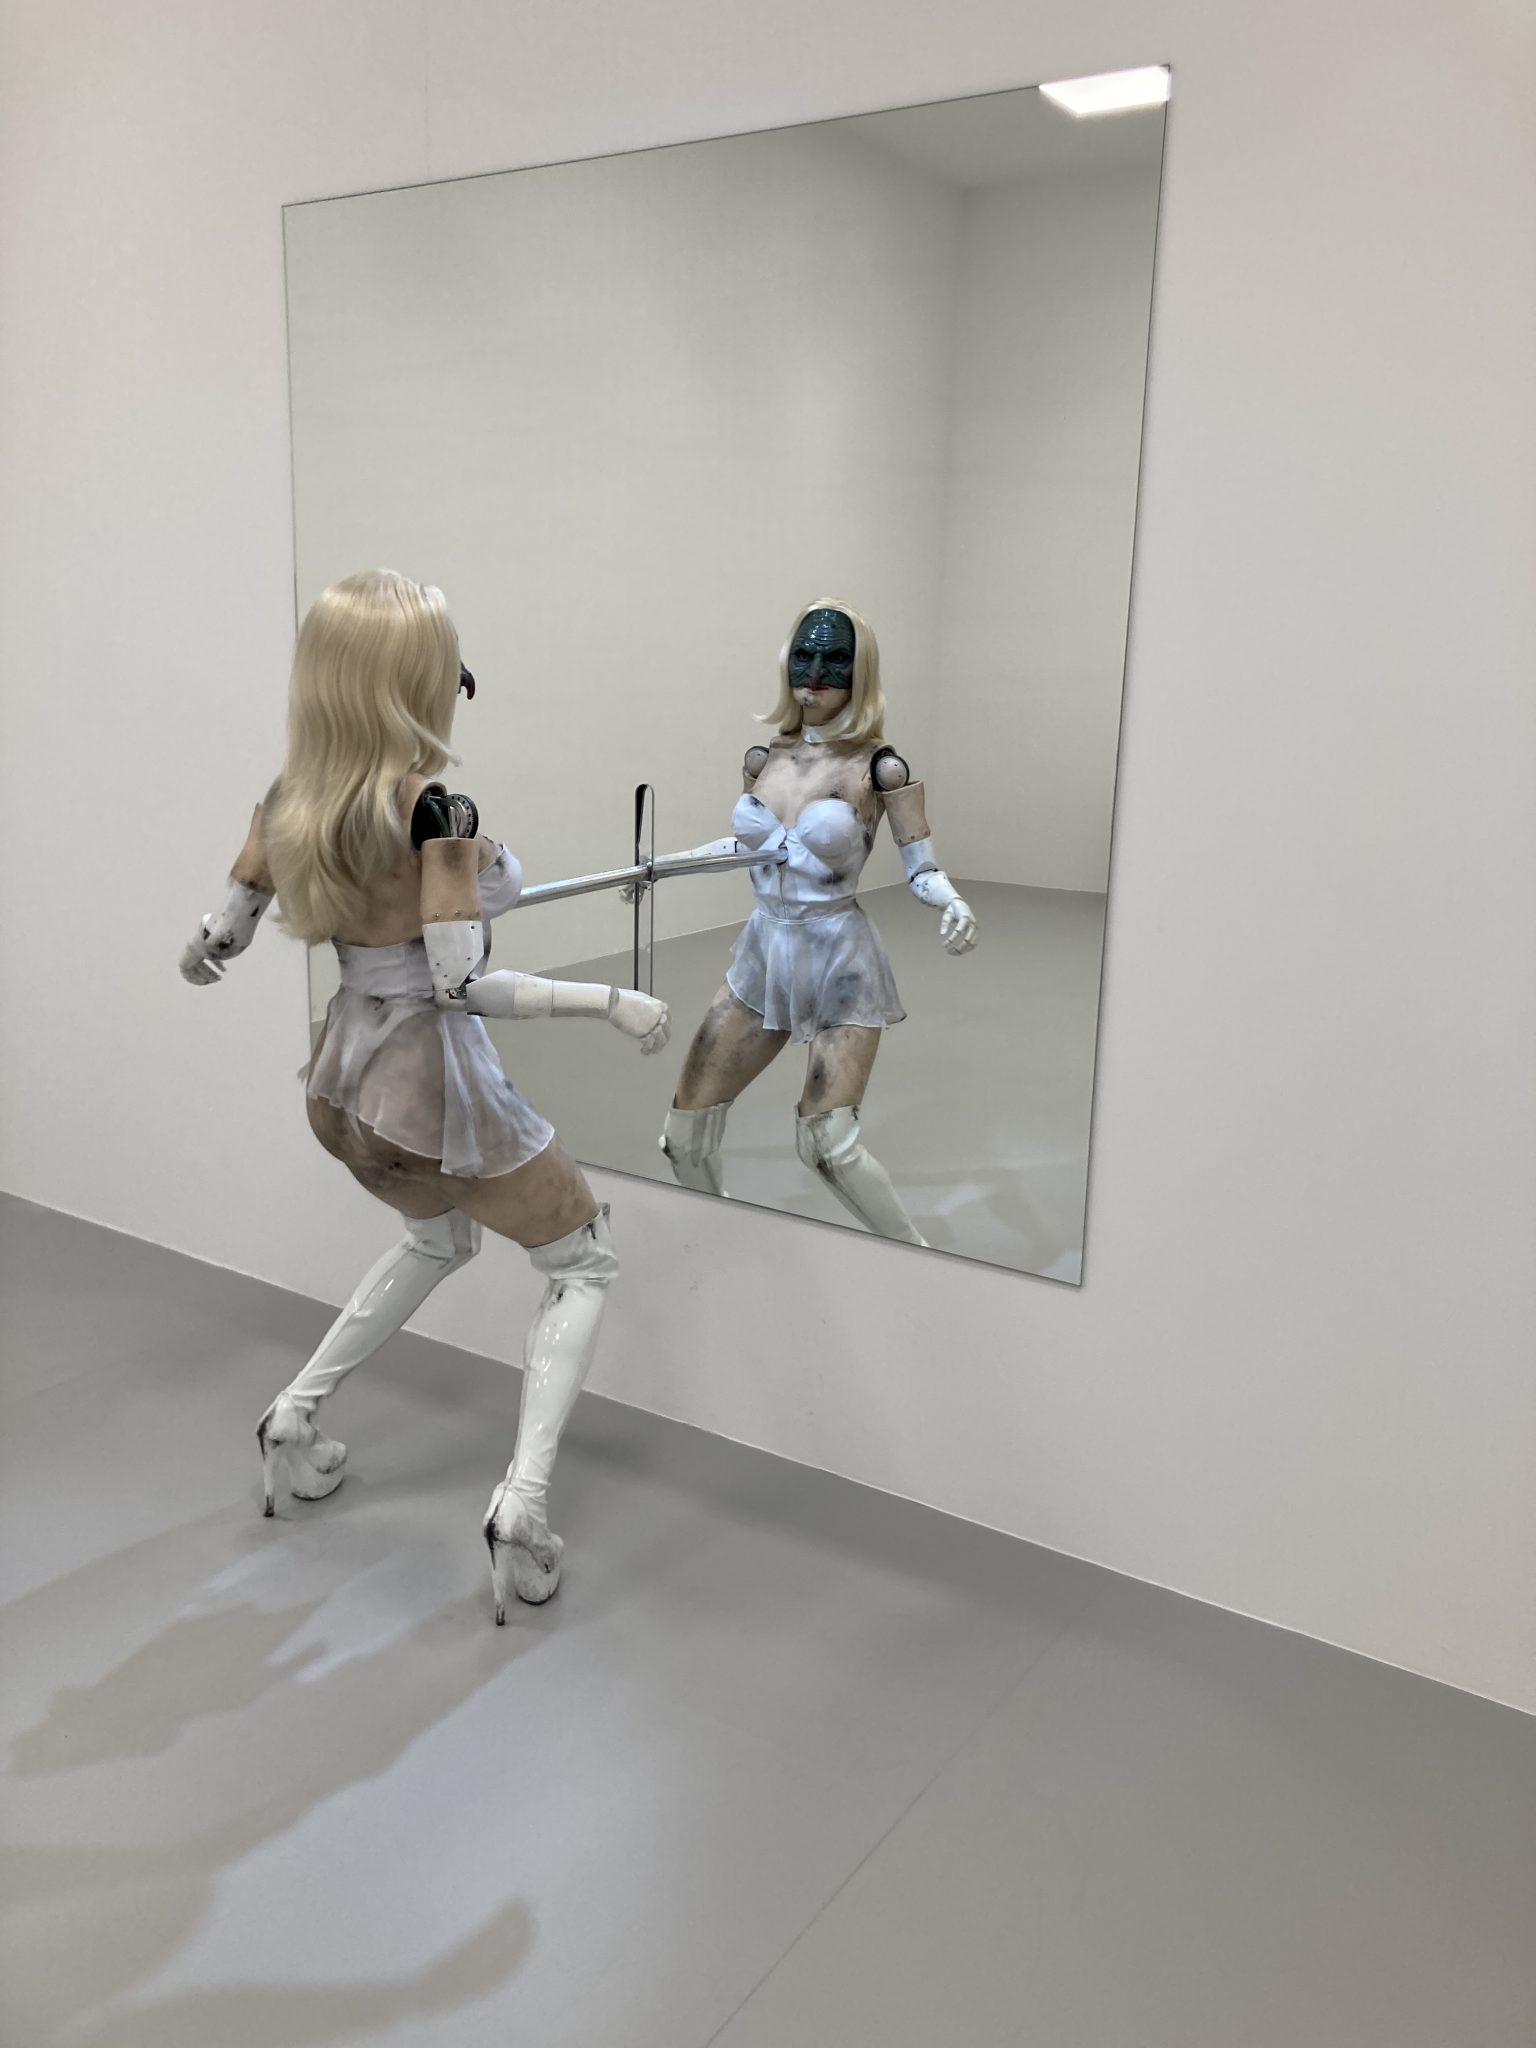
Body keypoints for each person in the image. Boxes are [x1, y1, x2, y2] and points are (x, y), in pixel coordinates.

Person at [179, 570, 668, 1621]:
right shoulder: (434, 810)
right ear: (411, 684)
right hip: (425, 1087)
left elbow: (221, 932)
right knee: (582, 1259)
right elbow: (461, 984)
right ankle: (522, 1507)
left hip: (341, 1084)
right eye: (448, 669)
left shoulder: (289, 797)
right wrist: (608, 1000)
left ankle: (294, 1416)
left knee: (438, 1239)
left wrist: (201, 952)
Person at [652, 600, 976, 1245]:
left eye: (836, 659)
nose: (816, 674)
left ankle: (917, 1257)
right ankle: (721, 1240)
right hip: (763, 954)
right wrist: (659, 867)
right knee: (683, 1138)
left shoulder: (880, 768)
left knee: (828, 1145)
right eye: (804, 655)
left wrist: (952, 901)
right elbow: (746, 846)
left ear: (862, 672)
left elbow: (921, 868)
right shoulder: (763, 759)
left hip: (839, 959)